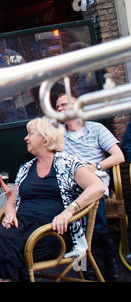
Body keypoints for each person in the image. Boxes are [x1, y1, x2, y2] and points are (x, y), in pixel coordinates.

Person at [0, 117, 105, 282]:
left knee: (1, 243)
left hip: (52, 233)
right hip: (22, 228)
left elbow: (99, 187)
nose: (25, 138)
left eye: (30, 134)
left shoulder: (68, 163)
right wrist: (10, 214)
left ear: (45, 139)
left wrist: (69, 211)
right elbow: (11, 203)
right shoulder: (26, 168)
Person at [55, 92, 125, 280]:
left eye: (64, 105)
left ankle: (104, 261)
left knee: (94, 210)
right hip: (71, 183)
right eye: (58, 107)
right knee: (74, 215)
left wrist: (95, 167)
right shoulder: (57, 133)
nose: (60, 109)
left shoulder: (96, 129)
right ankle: (89, 264)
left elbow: (119, 156)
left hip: (95, 180)